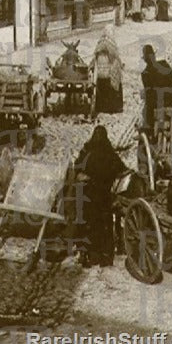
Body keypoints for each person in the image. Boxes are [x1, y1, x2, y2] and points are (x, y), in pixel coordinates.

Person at [74, 125, 126, 267]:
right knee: (105, 225)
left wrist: (82, 176)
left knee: (88, 224)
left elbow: (77, 169)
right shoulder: (110, 153)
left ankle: (88, 255)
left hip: (89, 196)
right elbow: (123, 170)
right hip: (104, 197)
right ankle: (106, 257)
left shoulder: (87, 152)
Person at [140, 45, 172, 134]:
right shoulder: (164, 64)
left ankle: (151, 134)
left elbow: (149, 96)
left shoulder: (145, 73)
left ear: (145, 60)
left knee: (147, 110)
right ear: (154, 56)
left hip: (158, 106)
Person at [92, 30, 124, 113]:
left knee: (101, 88)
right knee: (113, 86)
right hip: (108, 71)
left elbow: (94, 57)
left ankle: (100, 107)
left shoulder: (99, 43)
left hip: (100, 72)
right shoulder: (111, 44)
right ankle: (113, 107)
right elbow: (115, 57)